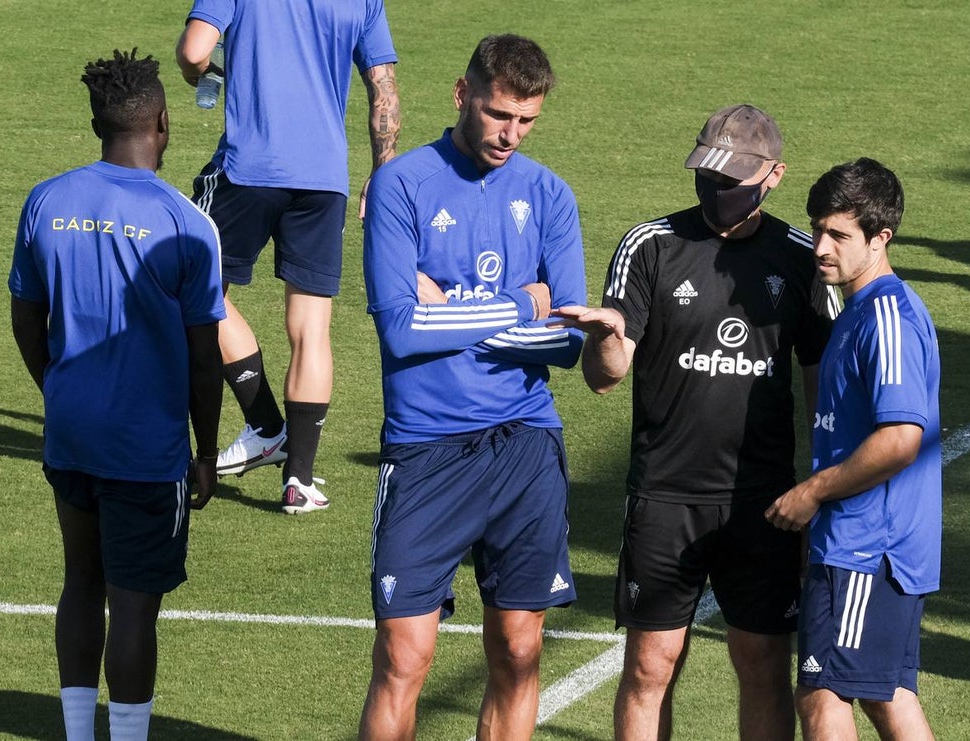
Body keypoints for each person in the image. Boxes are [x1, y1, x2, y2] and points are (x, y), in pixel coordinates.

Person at [555, 104, 841, 740]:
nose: (716, 193)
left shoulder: (801, 260)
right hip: (665, 496)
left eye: (732, 182)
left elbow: (823, 393)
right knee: (650, 665)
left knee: (763, 662)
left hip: (764, 503)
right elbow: (606, 378)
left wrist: (819, 491)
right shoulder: (649, 247)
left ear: (774, 176)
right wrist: (606, 337)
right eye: (706, 179)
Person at [358, 34, 585, 741]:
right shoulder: (401, 186)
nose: (510, 134)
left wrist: (448, 309)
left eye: (526, 122)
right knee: (405, 652)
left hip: (524, 442)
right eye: (497, 115)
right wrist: (523, 303)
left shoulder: (550, 195)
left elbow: (571, 341)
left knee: (518, 650)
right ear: (462, 95)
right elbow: (400, 329)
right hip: (427, 448)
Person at [9, 49, 225, 740]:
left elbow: (25, 314)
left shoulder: (47, 199)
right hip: (144, 448)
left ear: (97, 121)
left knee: (81, 582)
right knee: (134, 606)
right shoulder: (188, 223)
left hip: (70, 433)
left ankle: (79, 734)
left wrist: (58, 386)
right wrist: (208, 449)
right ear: (162, 122)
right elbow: (203, 356)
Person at [175, 0, 401, 513]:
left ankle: (265, 424)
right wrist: (382, 171)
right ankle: (299, 480)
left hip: (247, 171)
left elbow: (194, 51)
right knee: (311, 328)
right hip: (324, 180)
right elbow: (383, 89)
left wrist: (206, 75)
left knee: (194, 289)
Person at [765, 158, 941, 740]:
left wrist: (812, 491)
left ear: (880, 238)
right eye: (817, 228)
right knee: (884, 696)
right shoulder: (858, 310)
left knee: (822, 695)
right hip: (869, 546)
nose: (820, 247)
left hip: (867, 547)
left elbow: (900, 439)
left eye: (839, 235)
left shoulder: (886, 315)